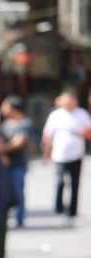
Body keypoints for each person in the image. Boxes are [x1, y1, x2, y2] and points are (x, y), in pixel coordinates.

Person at [41, 89, 89, 226]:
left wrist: (83, 134)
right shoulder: (55, 115)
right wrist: (45, 155)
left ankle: (72, 213)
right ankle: (59, 210)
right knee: (60, 183)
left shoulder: (82, 114)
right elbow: (47, 137)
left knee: (75, 184)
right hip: (59, 156)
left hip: (76, 155)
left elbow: (89, 132)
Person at [0, 95, 31, 227]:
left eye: (5, 105)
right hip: (4, 165)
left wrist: (0, 150)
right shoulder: (5, 124)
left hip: (18, 164)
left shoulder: (24, 123)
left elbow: (18, 143)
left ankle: (20, 217)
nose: (2, 109)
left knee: (18, 190)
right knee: (6, 192)